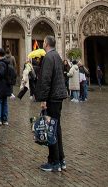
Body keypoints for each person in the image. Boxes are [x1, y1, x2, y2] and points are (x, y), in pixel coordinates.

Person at [34, 36, 68, 172]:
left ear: (46, 43)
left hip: (52, 98)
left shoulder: (48, 57)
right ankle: (61, 159)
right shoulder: (58, 56)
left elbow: (46, 80)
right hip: (58, 96)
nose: (42, 44)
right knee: (56, 128)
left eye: (43, 42)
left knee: (50, 129)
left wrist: (43, 100)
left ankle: (54, 161)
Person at [0, 48, 13, 125]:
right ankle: (5, 120)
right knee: (4, 102)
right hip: (6, 85)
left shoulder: (0, 63)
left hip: (0, 85)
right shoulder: (6, 62)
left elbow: (0, 74)